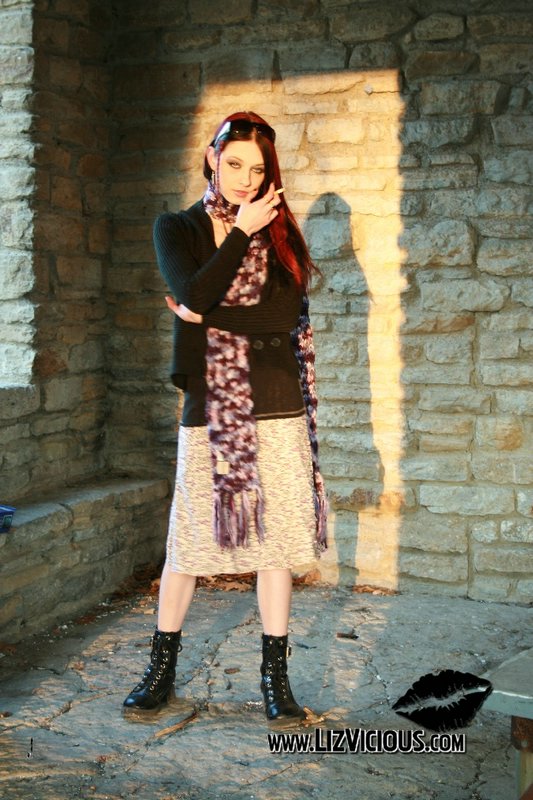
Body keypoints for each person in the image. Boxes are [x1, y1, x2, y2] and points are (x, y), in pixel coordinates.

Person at [123, 112, 327, 724]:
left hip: (277, 401)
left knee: (276, 544)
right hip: (211, 404)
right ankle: (159, 672)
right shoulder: (177, 227)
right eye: (234, 163)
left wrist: (204, 319)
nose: (245, 179)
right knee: (188, 540)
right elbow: (192, 288)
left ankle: (275, 681)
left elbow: (279, 319)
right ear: (213, 158)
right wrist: (239, 233)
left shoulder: (281, 234)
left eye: (257, 169)